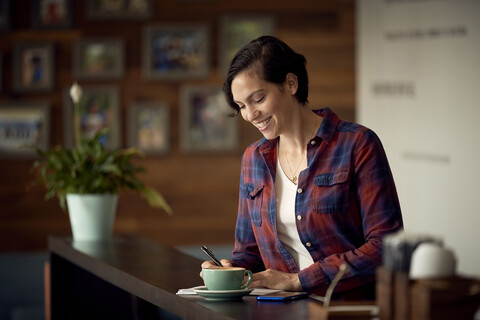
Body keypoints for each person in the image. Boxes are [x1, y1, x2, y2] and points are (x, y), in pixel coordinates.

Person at [201, 36, 403, 300]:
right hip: (280, 310)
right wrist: (227, 270)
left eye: (258, 99)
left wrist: (298, 281)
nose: (250, 115)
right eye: (241, 106)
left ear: (291, 83)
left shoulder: (357, 144)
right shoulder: (253, 158)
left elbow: (386, 247)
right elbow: (249, 254)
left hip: (351, 308)